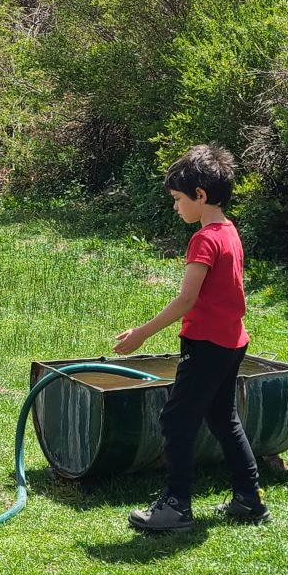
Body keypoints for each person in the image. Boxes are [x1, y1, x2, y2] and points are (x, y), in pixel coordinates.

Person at [113, 144, 271, 532]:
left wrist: (140, 335)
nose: (175, 207)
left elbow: (187, 298)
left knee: (176, 419)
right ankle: (249, 500)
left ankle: (176, 506)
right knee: (222, 417)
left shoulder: (204, 240)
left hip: (207, 346)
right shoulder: (229, 231)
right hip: (233, 342)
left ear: (200, 196)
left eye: (178, 199)